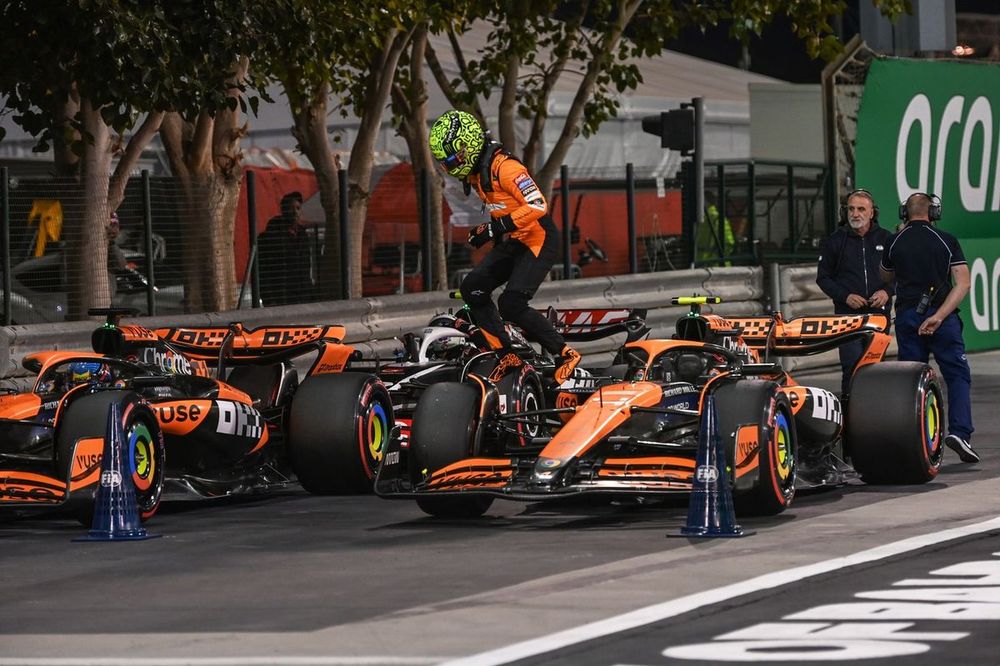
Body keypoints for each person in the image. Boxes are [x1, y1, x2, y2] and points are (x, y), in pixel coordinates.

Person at [428, 109, 580, 384]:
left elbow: (538, 205)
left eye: (453, 160)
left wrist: (493, 229)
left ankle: (565, 354)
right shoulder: (477, 173)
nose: (450, 167)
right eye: (445, 163)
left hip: (540, 238)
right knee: (472, 288)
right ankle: (506, 354)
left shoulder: (505, 168)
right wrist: (487, 231)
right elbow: (503, 213)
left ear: (468, 145)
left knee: (511, 304)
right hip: (518, 239)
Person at [880, 192, 978, 464]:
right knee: (957, 375)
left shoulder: (894, 241)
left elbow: (885, 275)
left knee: (912, 382)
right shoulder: (946, 240)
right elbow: (963, 283)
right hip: (942, 318)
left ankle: (916, 440)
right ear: (933, 213)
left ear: (905, 213)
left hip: (909, 317)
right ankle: (960, 433)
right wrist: (940, 316)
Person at [816, 189, 893, 397]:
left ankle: (875, 412)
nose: (855, 214)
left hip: (879, 317)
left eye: (861, 209)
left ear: (872, 213)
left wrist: (887, 292)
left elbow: (900, 274)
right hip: (847, 318)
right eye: (851, 209)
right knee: (851, 367)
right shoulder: (835, 241)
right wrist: (845, 297)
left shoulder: (886, 239)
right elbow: (823, 278)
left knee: (876, 367)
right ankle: (849, 412)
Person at [258, 191, 314, 306]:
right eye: (291, 208)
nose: (295, 212)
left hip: (302, 299)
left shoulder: (303, 236)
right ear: (283, 211)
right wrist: (270, 300)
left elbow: (306, 267)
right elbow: (264, 271)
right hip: (281, 299)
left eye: (298, 208)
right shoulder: (270, 237)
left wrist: (309, 294)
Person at [695, 191, 735, 266]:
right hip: (706, 265)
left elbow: (728, 244)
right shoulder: (701, 219)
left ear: (706, 202)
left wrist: (712, 260)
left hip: (716, 266)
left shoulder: (716, 219)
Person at [107, 212, 128, 298]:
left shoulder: (111, 245)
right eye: (112, 225)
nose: (115, 230)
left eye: (115, 226)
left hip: (108, 295)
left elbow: (121, 265)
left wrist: (111, 242)